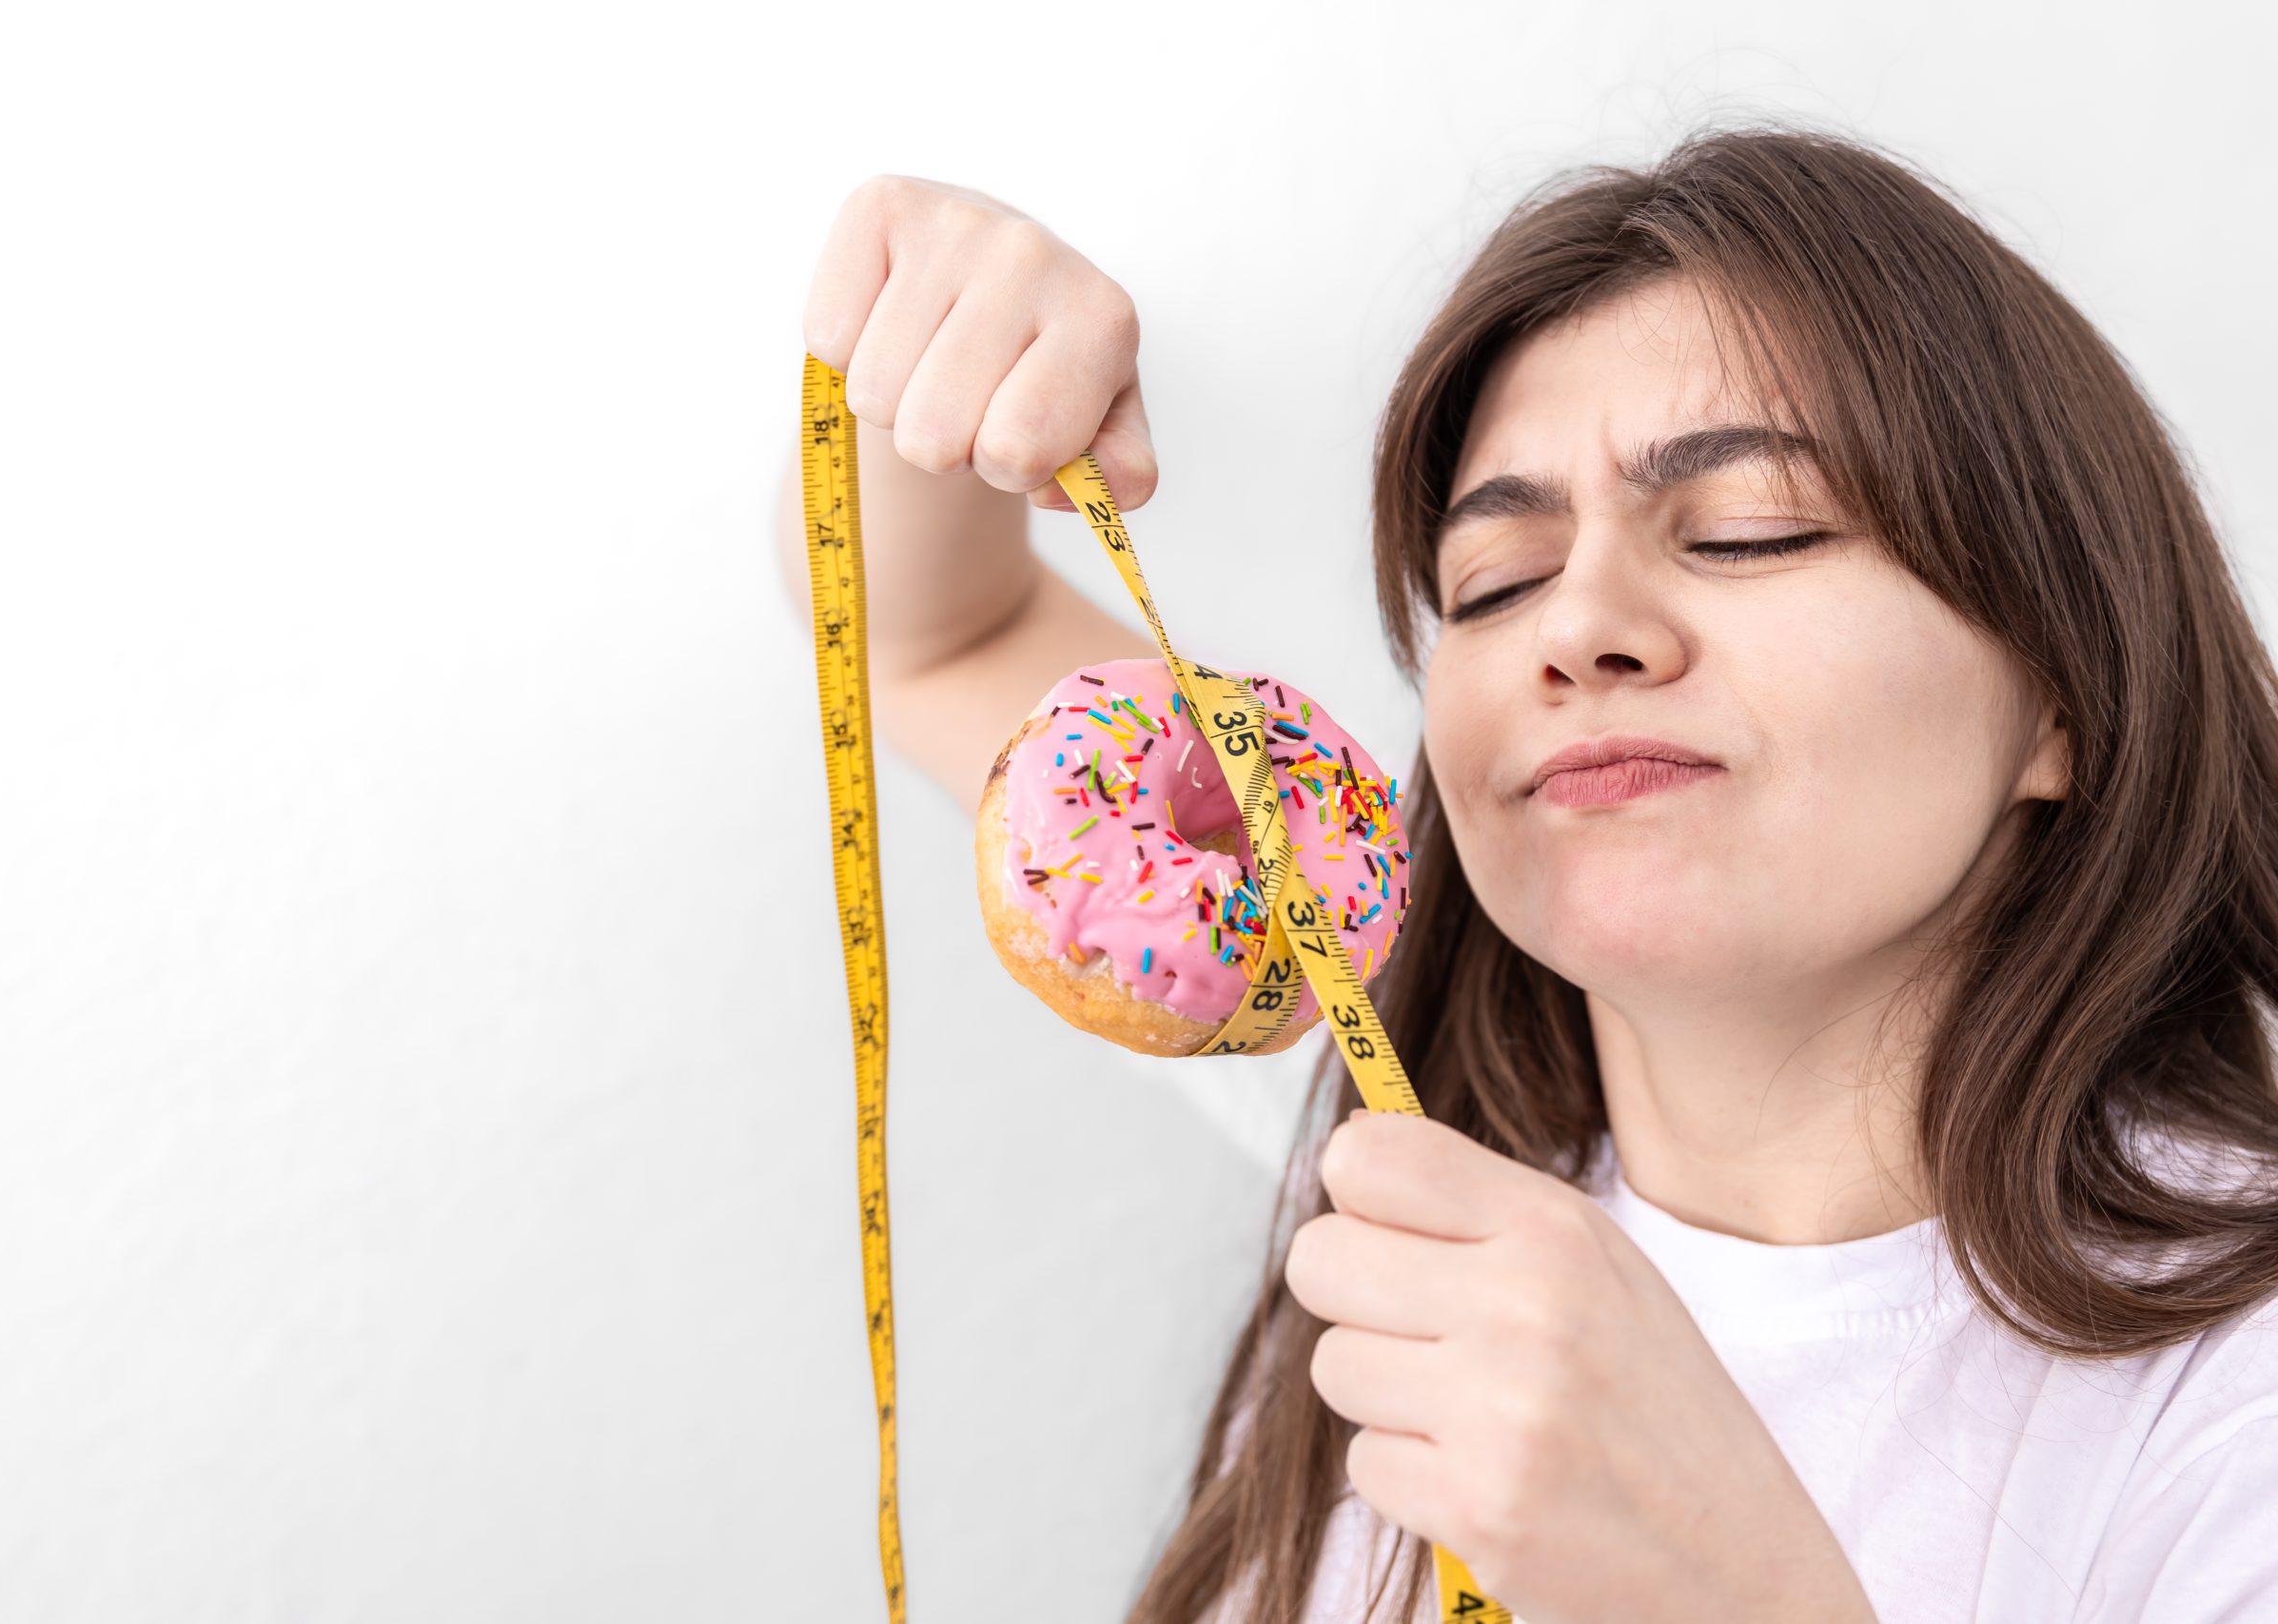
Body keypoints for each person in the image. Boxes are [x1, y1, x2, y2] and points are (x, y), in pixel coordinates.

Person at [776, 123, 2278, 1623]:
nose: (1579, 626)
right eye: (1496, 583)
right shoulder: (1393, 1071)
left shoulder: (2232, 1396)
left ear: (2065, 700)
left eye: (1752, 534)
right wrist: (941, 343)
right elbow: (934, 632)